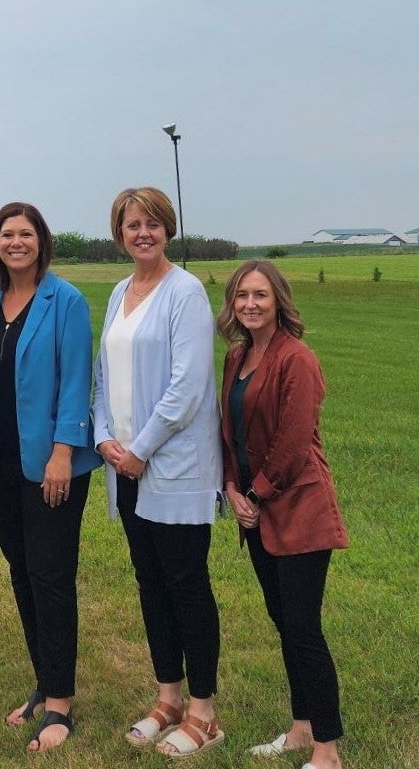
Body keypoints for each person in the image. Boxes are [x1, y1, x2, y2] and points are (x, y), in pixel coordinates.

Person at [94, 186, 224, 757]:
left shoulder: (186, 293)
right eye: (131, 225)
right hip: (124, 466)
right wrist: (103, 436)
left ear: (167, 229)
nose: (141, 233)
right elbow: (103, 372)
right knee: (150, 585)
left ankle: (203, 712)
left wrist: (140, 448)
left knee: (186, 585)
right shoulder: (120, 291)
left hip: (171, 468)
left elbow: (187, 386)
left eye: (151, 223)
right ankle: (166, 696)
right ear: (119, 233)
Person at [0, 202, 97, 753]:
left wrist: (64, 451)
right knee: (21, 571)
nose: (16, 242)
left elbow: (75, 380)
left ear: (42, 241)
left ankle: (62, 703)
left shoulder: (64, 301)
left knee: (50, 575)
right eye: (6, 234)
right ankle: (44, 682)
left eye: (26, 234)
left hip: (50, 464)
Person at [219, 261, 348, 768]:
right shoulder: (237, 356)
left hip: (299, 509)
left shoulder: (298, 360)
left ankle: (327, 750)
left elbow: (294, 443)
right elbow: (228, 430)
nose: (250, 304)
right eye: (242, 296)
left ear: (279, 302)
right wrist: (232, 487)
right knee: (283, 622)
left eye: (261, 295)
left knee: (302, 626)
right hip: (255, 510)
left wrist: (255, 492)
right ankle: (300, 728)